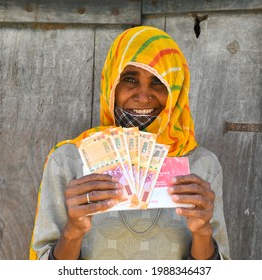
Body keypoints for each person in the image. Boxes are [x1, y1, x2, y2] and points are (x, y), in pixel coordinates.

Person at [30, 26, 230, 260]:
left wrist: (202, 233)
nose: (143, 95)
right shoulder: (69, 161)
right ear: (111, 86)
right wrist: (73, 231)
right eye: (130, 79)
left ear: (175, 89)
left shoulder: (202, 166)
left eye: (157, 82)